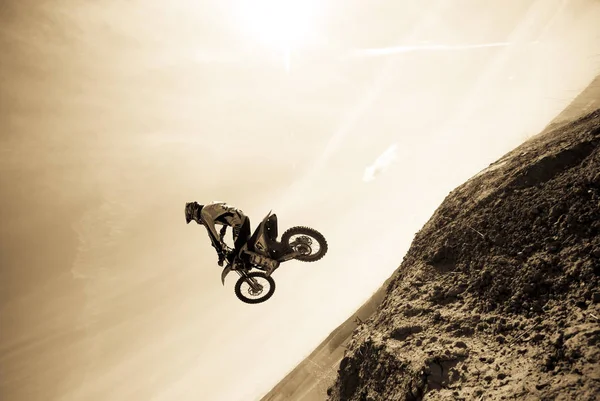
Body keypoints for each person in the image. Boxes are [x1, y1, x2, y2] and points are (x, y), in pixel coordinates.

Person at [185, 201, 251, 269]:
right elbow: (226, 212)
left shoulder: (203, 214)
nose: (195, 221)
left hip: (238, 223)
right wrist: (223, 231)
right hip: (243, 217)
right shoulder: (210, 206)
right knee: (248, 250)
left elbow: (212, 234)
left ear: (193, 212)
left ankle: (249, 269)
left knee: (240, 254)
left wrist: (219, 252)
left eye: (192, 218)